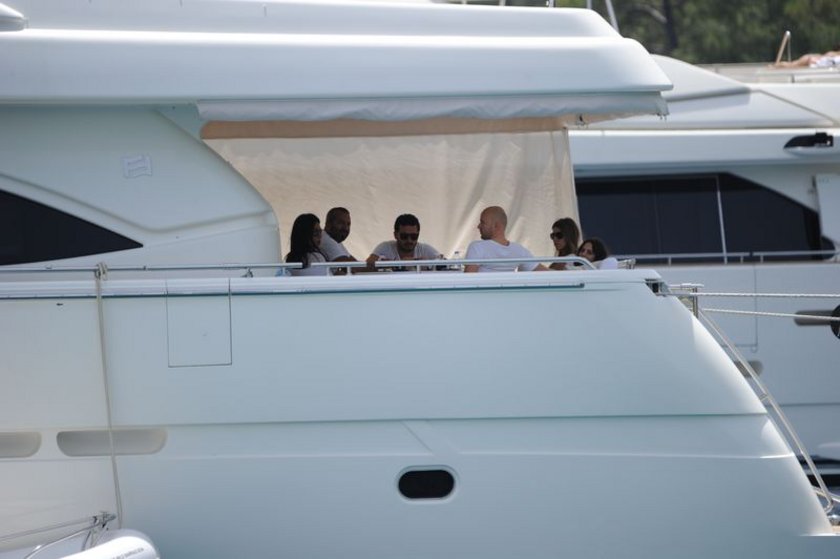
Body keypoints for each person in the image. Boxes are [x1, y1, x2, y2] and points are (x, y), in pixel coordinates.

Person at [464, 206, 546, 273]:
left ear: (496, 226)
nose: (478, 226)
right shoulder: (519, 250)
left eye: (483, 222)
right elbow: (545, 272)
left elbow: (468, 280)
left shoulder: (477, 247)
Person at [366, 213, 442, 270]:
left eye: (414, 236)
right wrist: (402, 263)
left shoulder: (424, 249)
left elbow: (444, 263)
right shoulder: (385, 247)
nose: (409, 240)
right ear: (395, 235)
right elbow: (366, 265)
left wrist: (428, 265)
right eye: (404, 236)